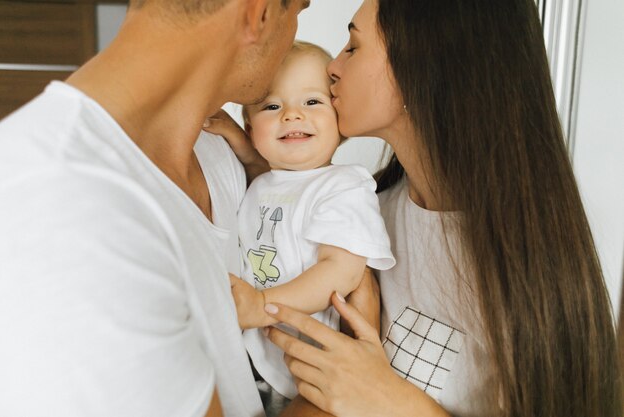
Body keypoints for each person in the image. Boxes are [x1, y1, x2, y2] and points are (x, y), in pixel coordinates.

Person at [262, 1, 623, 417]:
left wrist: (393, 402)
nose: (332, 68)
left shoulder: (528, 265)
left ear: (419, 66)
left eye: (354, 47)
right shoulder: (363, 217)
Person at [0, 1, 313, 416]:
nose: (293, 33)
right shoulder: (59, 200)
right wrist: (338, 399)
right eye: (299, 12)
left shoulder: (219, 155)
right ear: (260, 13)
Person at [203, 40, 395, 407]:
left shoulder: (345, 186)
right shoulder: (263, 182)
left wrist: (262, 304)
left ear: (341, 121)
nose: (291, 115)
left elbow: (341, 272)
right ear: (250, 125)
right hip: (256, 360)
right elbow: (270, 179)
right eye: (272, 106)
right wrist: (239, 142)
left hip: (311, 367)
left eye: (312, 102)